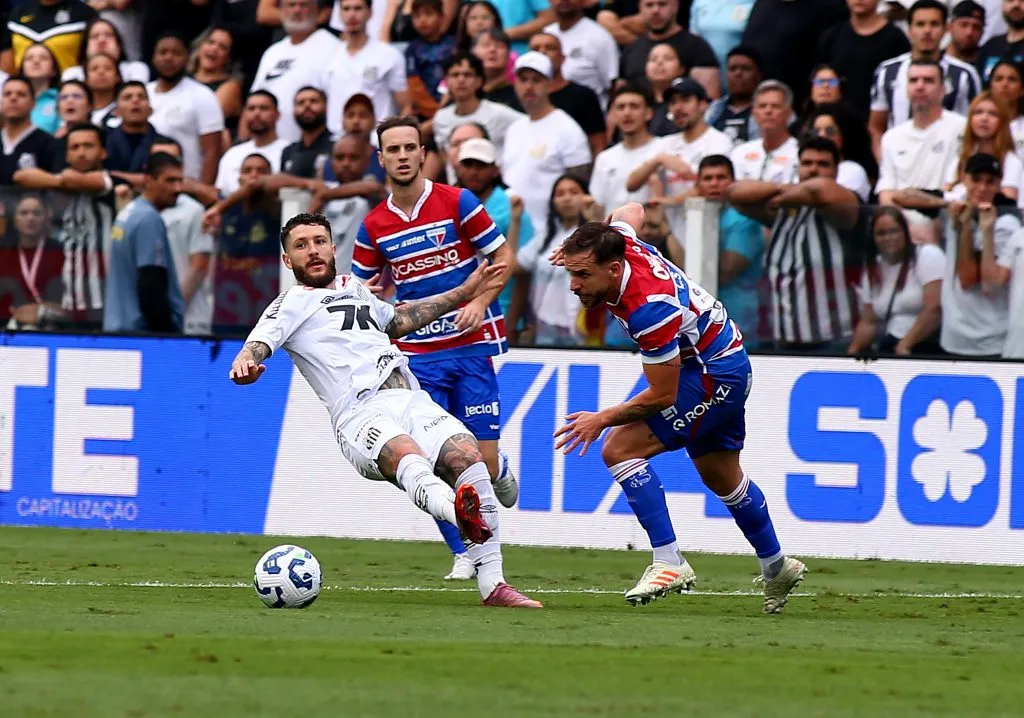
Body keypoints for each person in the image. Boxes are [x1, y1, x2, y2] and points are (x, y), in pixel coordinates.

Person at [231, 211, 541, 609]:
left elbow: (398, 319)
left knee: (468, 457)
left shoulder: (354, 289)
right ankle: (457, 512)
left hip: (408, 397)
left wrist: (464, 292)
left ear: (332, 246)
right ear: (288, 260)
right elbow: (258, 343)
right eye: (301, 246)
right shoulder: (289, 304)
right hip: (359, 415)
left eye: (319, 241)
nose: (313, 251)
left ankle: (494, 585)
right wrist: (245, 363)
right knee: (408, 458)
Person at [549, 202, 807, 613]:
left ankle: (669, 561)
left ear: (613, 270)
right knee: (723, 477)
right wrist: (582, 245)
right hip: (724, 358)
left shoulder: (647, 308)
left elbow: (661, 396)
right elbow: (632, 208)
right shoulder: (623, 245)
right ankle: (777, 566)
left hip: (711, 373)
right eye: (571, 274)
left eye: (582, 274)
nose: (574, 285)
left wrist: (601, 419)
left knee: (619, 449)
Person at [352, 115, 520, 582]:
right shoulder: (374, 226)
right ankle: (467, 550)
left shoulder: (458, 202)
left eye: (411, 147)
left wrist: (480, 302)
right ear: (381, 158)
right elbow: (360, 296)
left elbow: (502, 259)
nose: (403, 156)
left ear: (424, 153)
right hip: (418, 358)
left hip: (468, 349)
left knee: (479, 463)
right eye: (394, 149)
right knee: (429, 461)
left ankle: (499, 466)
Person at [103, 152, 186, 334]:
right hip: (140, 333)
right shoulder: (149, 219)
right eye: (170, 181)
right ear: (149, 180)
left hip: (118, 325)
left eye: (180, 181)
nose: (178, 188)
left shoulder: (129, 212)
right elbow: (150, 283)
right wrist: (167, 332)